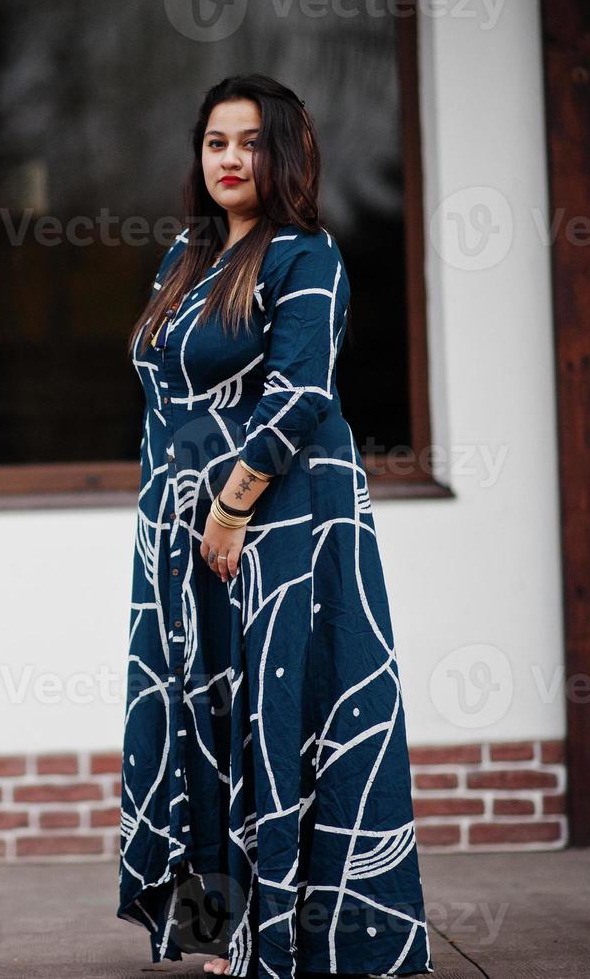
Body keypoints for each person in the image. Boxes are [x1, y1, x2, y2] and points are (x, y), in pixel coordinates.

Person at [116, 73, 434, 979]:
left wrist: (228, 509)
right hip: (183, 531)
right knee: (199, 715)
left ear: (284, 152)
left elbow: (299, 396)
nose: (229, 159)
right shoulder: (185, 256)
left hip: (277, 522)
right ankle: (220, 931)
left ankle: (294, 935)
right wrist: (174, 523)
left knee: (280, 712)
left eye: (250, 142)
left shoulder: (306, 256)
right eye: (215, 141)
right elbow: (164, 396)